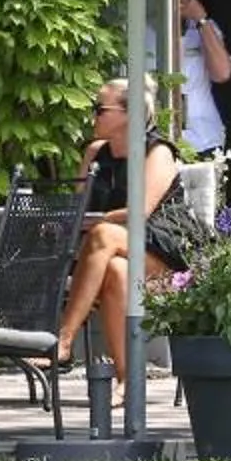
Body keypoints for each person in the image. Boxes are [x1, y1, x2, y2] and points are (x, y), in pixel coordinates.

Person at [54, 76, 185, 367]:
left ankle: (63, 339)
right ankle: (127, 380)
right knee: (116, 270)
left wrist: (99, 220)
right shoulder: (94, 153)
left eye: (100, 109)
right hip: (112, 256)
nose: (93, 115)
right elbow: (79, 206)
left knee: (103, 233)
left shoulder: (158, 152)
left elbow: (140, 212)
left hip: (161, 253)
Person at [175, 0, 231, 156]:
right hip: (158, 140)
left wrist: (201, 20)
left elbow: (222, 73)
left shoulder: (206, 28)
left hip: (203, 138)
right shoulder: (145, 29)